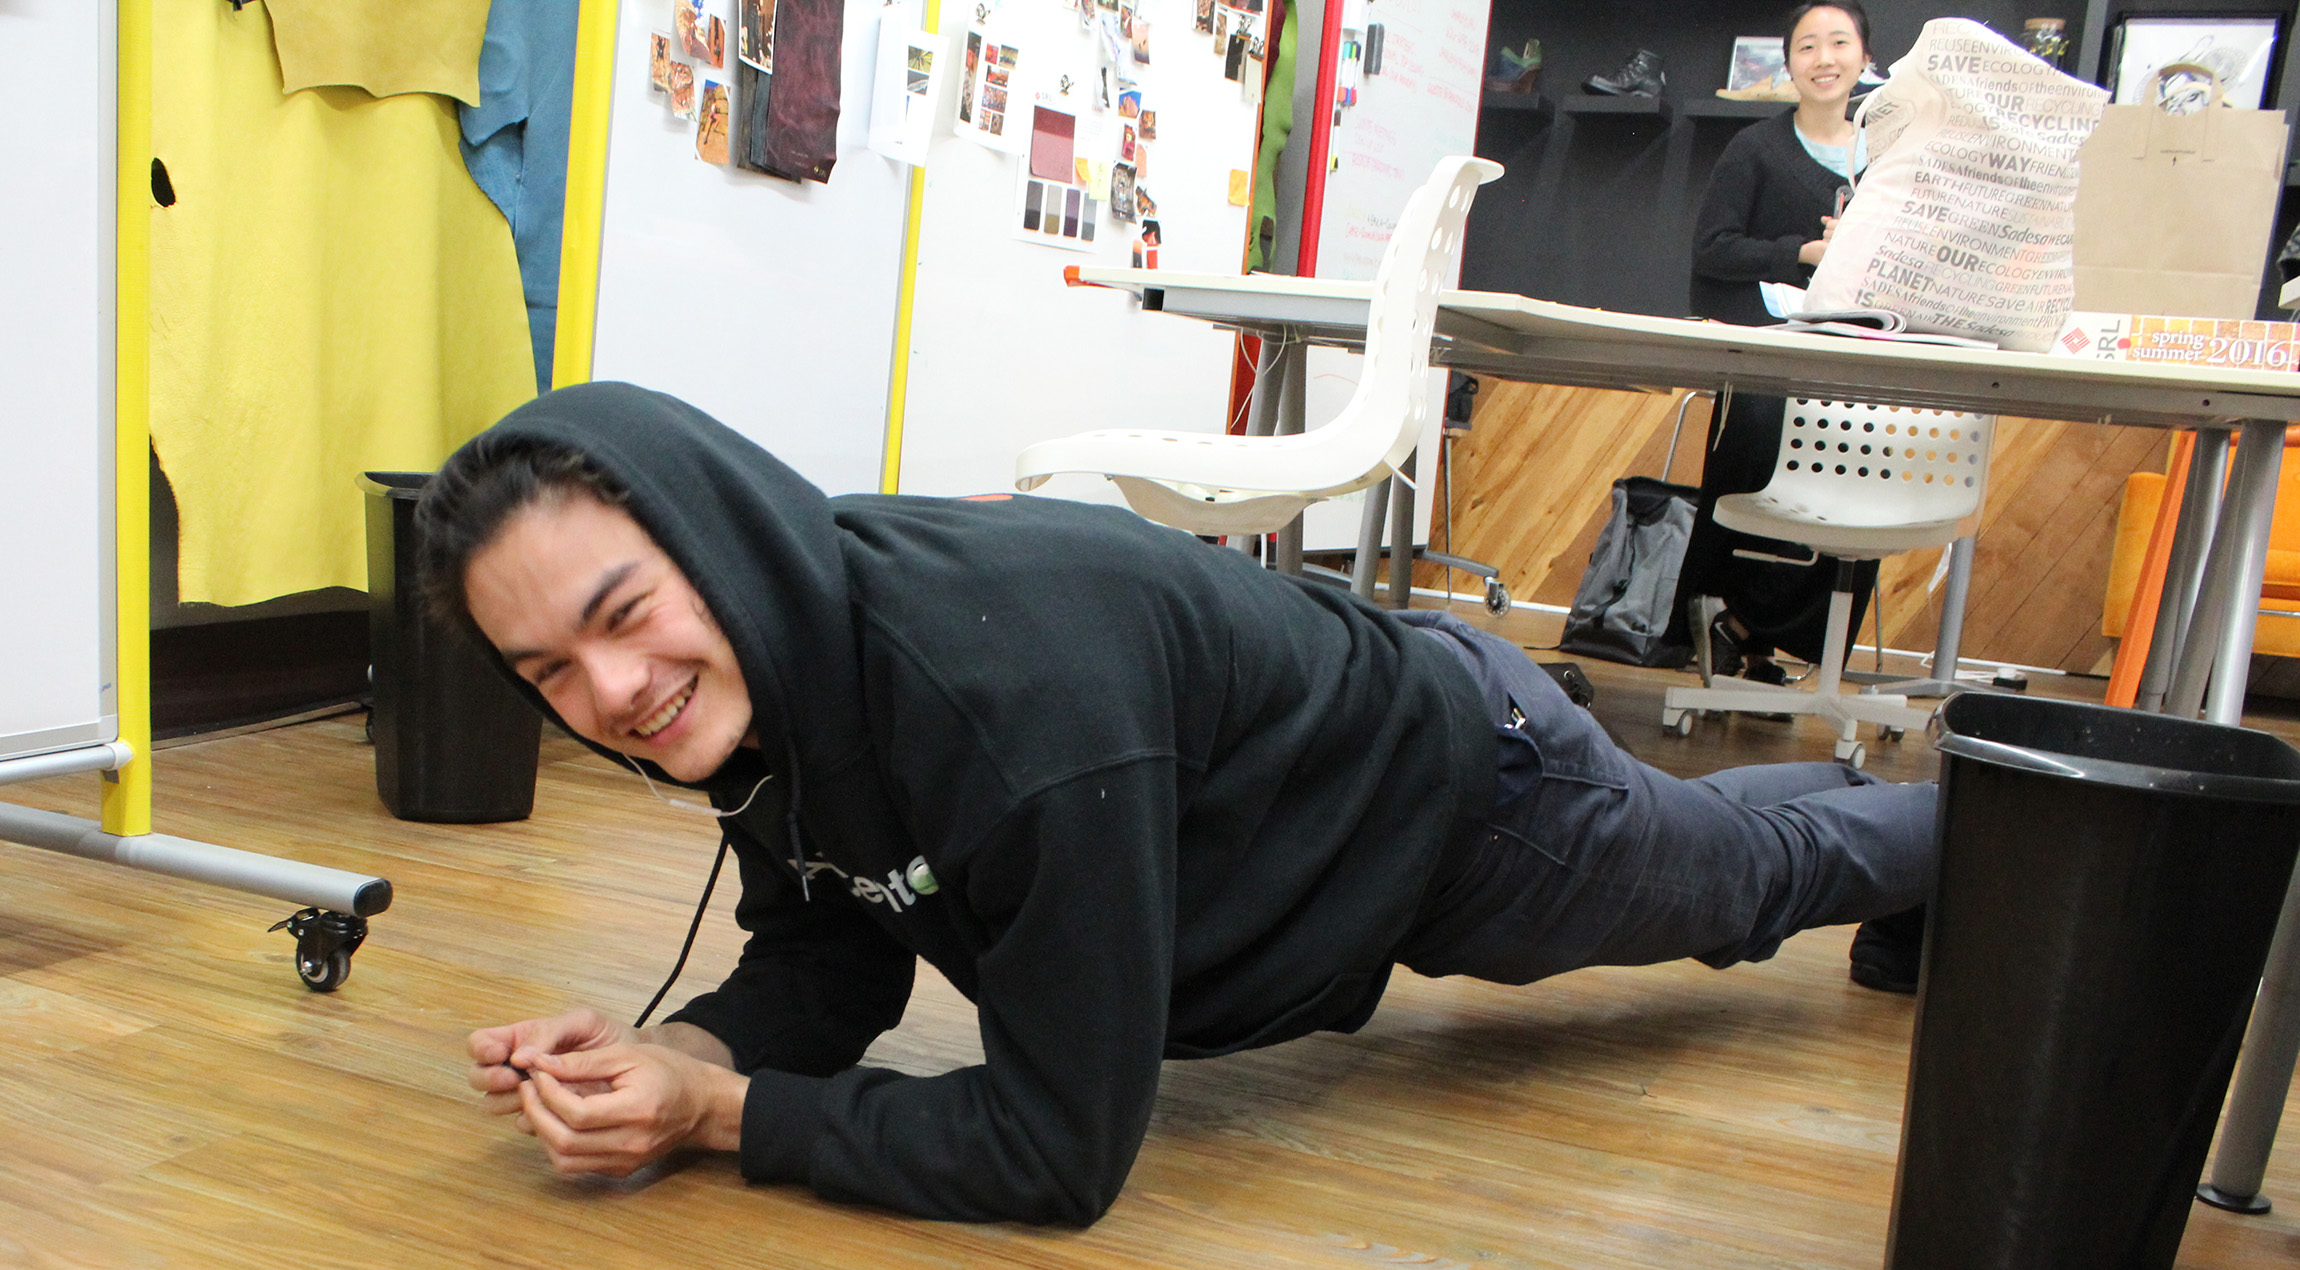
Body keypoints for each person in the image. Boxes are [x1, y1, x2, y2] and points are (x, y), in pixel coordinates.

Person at [426, 382, 1936, 1225]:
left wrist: (723, 1114)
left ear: (714, 538)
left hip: (1469, 794)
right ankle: (1854, 798)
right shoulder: (777, 662)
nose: (614, 692)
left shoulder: (1008, 712)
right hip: (1320, 760)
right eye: (549, 669)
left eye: (626, 614)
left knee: (1755, 887)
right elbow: (836, 937)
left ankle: (2005, 822)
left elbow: (1057, 1149)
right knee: (1743, 847)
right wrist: (670, 1047)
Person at [1681, 1, 1877, 682]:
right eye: (1807, 47)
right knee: (1761, 446)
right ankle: (1736, 626)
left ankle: (1766, 637)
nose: (1824, 59)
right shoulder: (1755, 149)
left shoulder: (1889, 156)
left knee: (1866, 475)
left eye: (1839, 43)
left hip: (1858, 360)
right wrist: (1806, 251)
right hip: (1772, 352)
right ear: (1788, 65)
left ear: (1865, 57)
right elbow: (1712, 251)